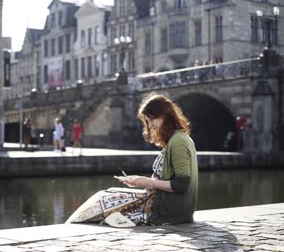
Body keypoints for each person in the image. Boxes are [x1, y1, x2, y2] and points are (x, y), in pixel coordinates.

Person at [66, 93, 198, 226]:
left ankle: (69, 228)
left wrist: (147, 182)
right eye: (147, 121)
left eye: (151, 120)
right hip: (167, 205)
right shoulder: (178, 138)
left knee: (101, 201)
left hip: (167, 211)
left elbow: (182, 184)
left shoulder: (178, 142)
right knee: (108, 193)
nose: (150, 126)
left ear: (165, 114)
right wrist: (142, 181)